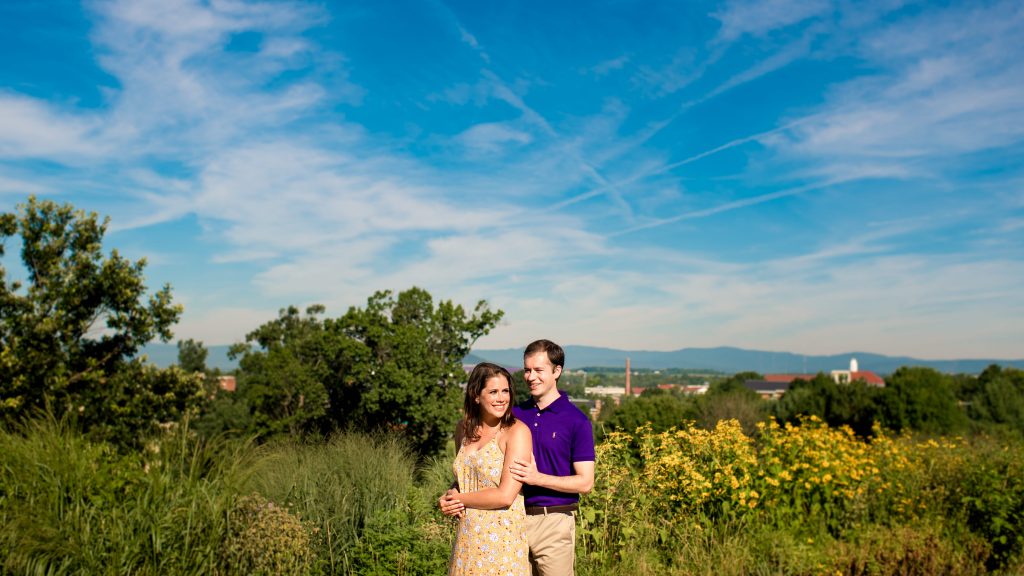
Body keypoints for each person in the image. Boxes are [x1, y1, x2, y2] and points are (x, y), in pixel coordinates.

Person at [442, 340, 595, 576]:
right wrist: (455, 493)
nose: (531, 376)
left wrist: (537, 478)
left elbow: (585, 483)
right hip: (511, 519)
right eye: (527, 370)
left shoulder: (576, 420)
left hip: (551, 521)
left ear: (557, 371)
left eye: (538, 370)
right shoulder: (513, 415)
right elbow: (482, 467)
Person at [445, 362, 533, 576]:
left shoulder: (516, 432)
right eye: (493, 392)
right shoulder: (463, 428)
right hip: (467, 537)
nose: (502, 398)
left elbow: (505, 496)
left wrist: (459, 499)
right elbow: (464, 480)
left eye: (505, 391)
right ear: (476, 395)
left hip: (501, 541)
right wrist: (450, 494)